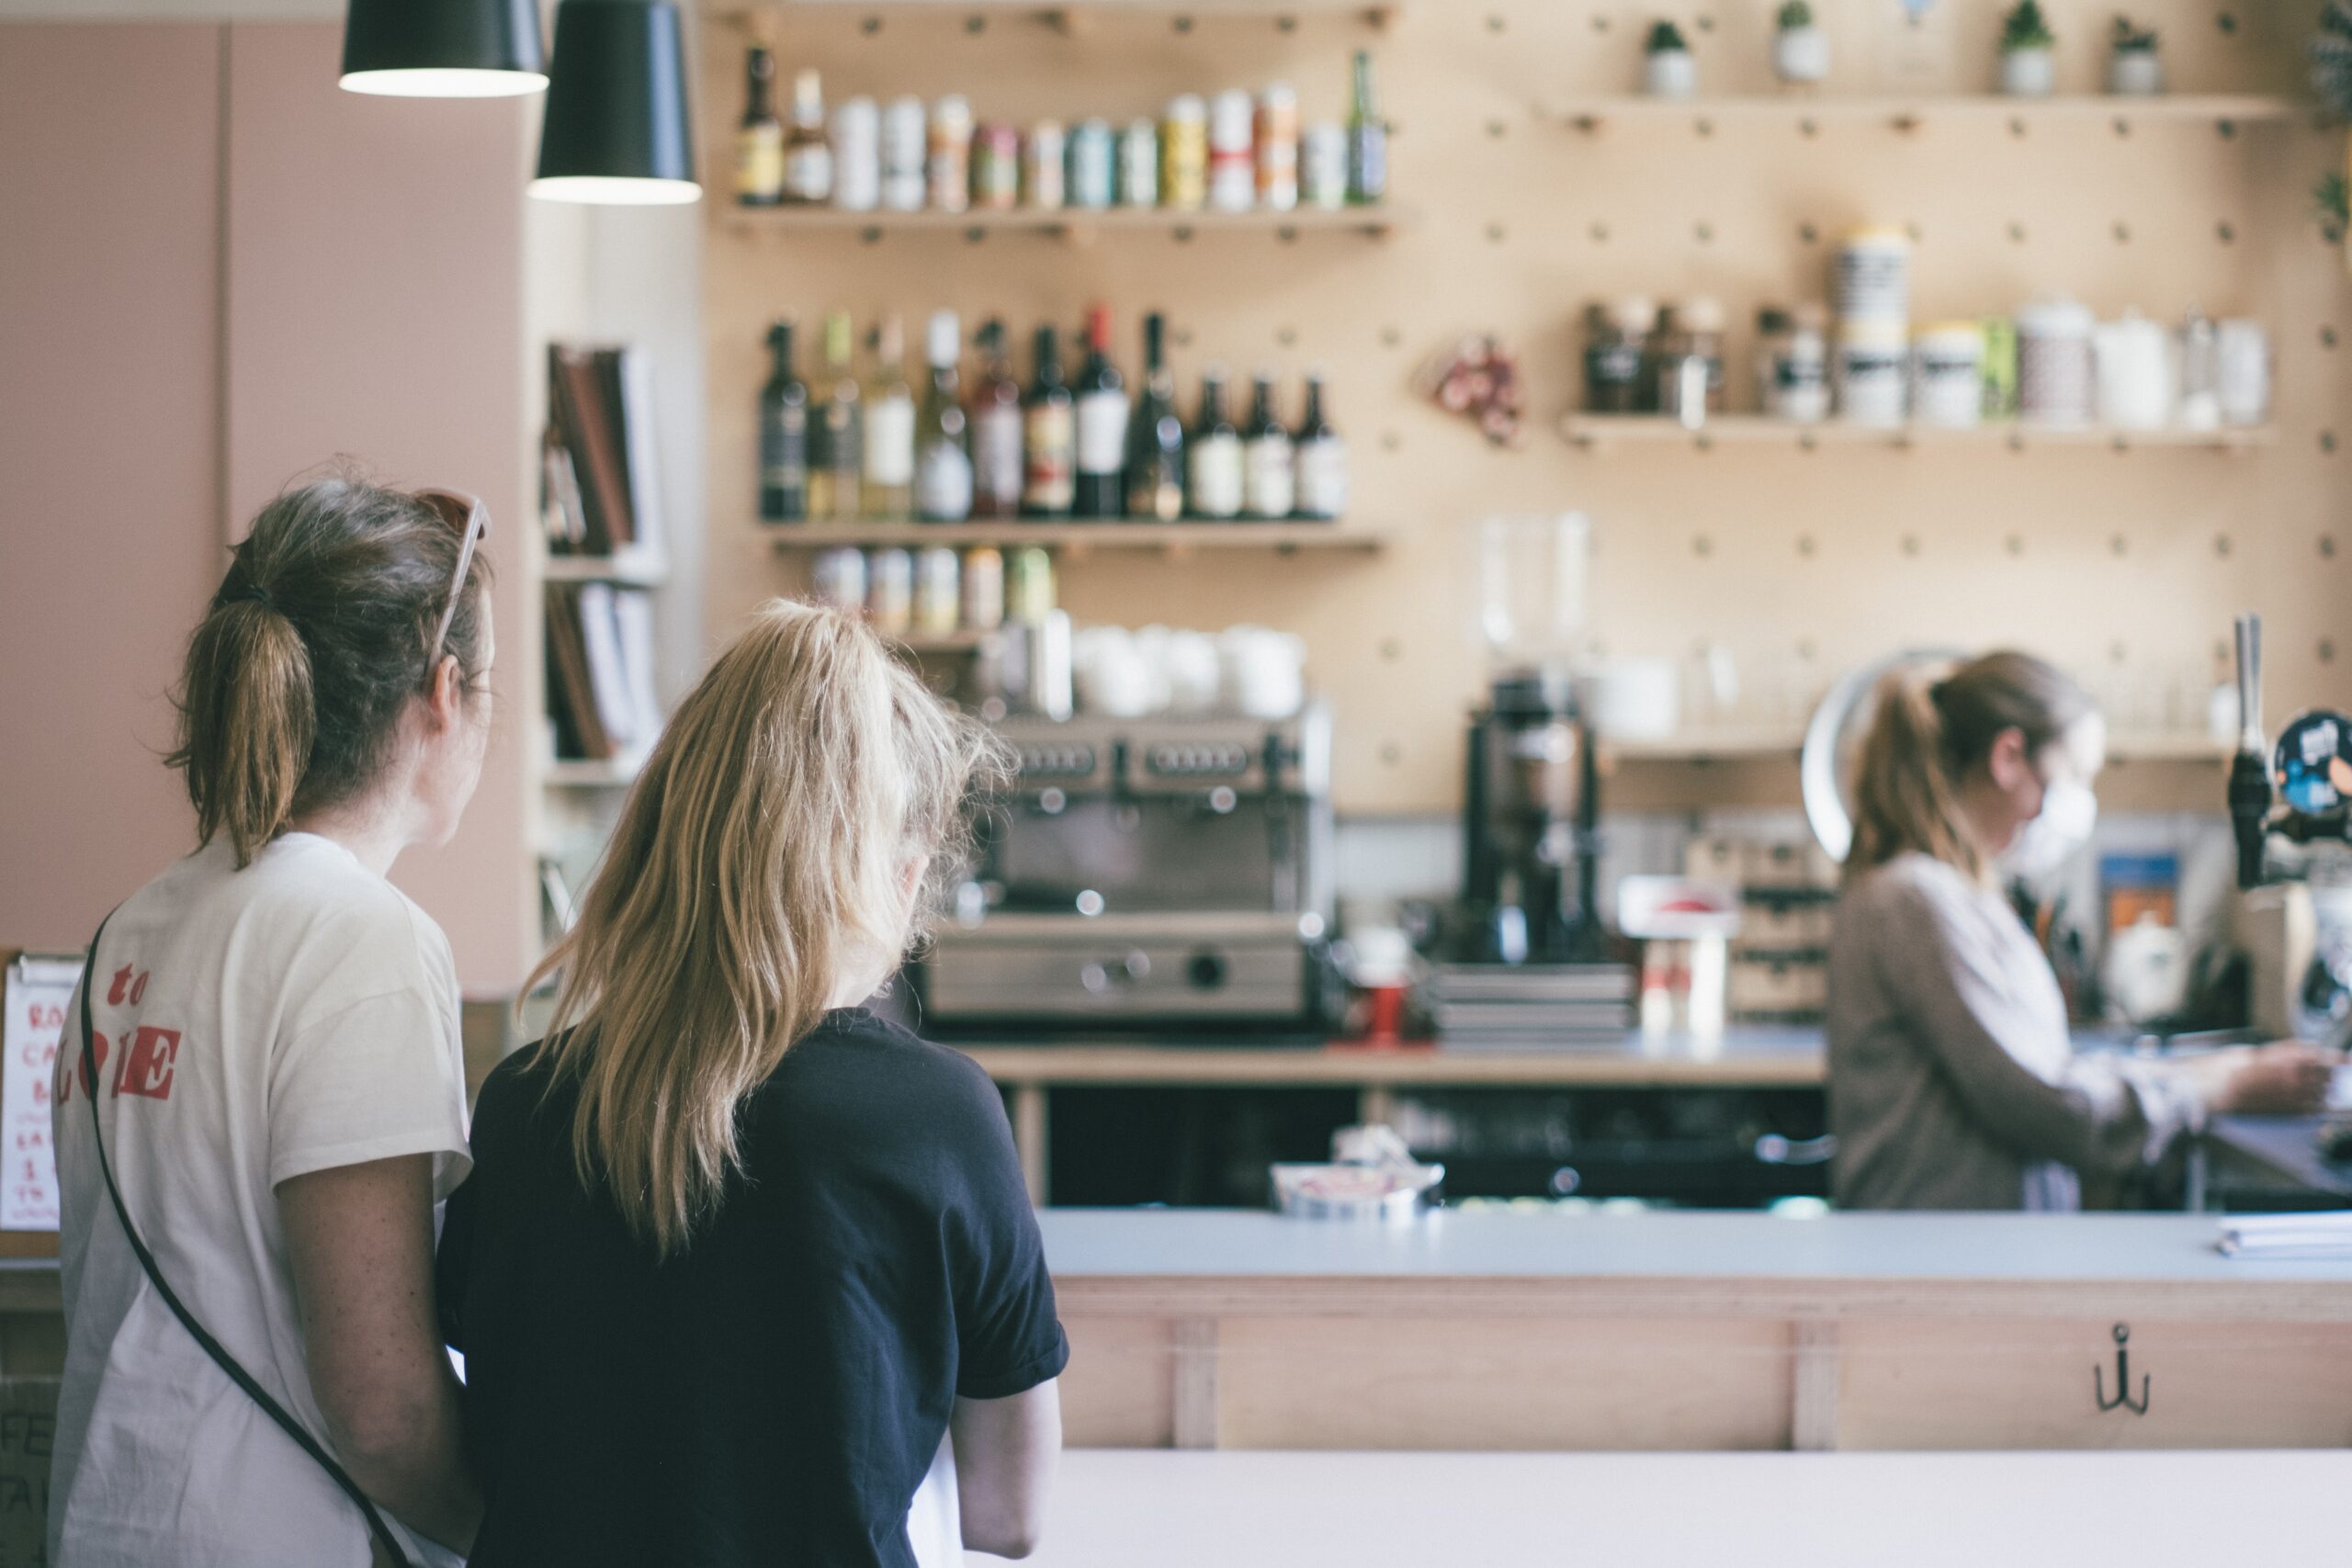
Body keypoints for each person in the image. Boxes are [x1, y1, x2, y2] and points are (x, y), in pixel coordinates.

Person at [437, 601, 1066, 1567]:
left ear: (662, 840)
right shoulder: (938, 1118)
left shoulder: (523, 1101)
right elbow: (1007, 1514)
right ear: (895, 877)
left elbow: (494, 1432)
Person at [51, 477, 494, 1565]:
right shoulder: (364, 940)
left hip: (110, 1521)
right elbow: (381, 1409)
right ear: (443, 693)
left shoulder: (130, 932)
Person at [1827, 649, 2335, 1211]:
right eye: (2073, 775)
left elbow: (2041, 1071)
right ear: (2009, 757)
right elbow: (2047, 1103)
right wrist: (2221, 1086)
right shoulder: (1915, 899)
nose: (2079, 802)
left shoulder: (1952, 893)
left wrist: (2215, 1068)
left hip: (1965, 1253)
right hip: (1939, 1265)